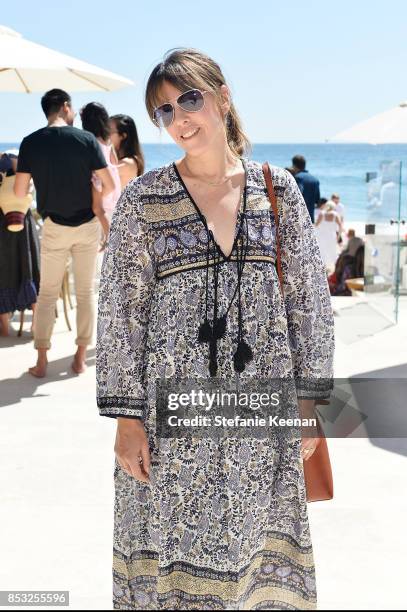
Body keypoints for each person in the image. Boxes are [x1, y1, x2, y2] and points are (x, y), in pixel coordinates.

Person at [96, 48, 334, 610]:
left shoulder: (278, 194)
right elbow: (118, 318)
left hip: (263, 423)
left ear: (223, 98)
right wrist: (127, 421)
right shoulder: (142, 203)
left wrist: (309, 407)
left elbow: (310, 307)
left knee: (257, 569)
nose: (180, 118)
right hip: (172, 426)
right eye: (163, 111)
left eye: (190, 99)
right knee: (172, 570)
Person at [14, 88, 114, 377]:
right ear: (66, 108)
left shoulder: (30, 142)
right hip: (86, 227)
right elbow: (107, 185)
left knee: (46, 296)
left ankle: (42, 361)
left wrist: (40, 185)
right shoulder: (86, 140)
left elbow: (21, 191)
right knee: (85, 293)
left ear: (48, 110)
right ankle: (80, 358)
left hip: (55, 226)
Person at [0, 152, 40, 336]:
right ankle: (35, 324)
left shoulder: (6, 159)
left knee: (5, 268)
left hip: (4, 220)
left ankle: (5, 325)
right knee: (28, 266)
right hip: (23, 219)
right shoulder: (14, 158)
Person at [80, 102, 122, 231]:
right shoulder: (107, 142)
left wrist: (97, 196)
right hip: (115, 195)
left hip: (103, 192)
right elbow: (115, 165)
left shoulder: (89, 143)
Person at [109, 113, 145, 188]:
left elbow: (100, 174)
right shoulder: (119, 160)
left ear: (123, 136)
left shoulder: (128, 163)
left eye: (108, 131)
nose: (105, 135)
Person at [315, 200, 343, 272]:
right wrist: (339, 237)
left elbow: (316, 225)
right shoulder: (335, 215)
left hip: (322, 236)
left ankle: (323, 268)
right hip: (332, 236)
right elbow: (340, 227)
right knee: (333, 252)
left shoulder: (322, 214)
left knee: (323, 251)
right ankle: (336, 268)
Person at [291, 154, 320, 223]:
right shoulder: (315, 180)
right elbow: (317, 201)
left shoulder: (297, 178)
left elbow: (296, 197)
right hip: (310, 218)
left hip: (298, 218)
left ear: (294, 166)